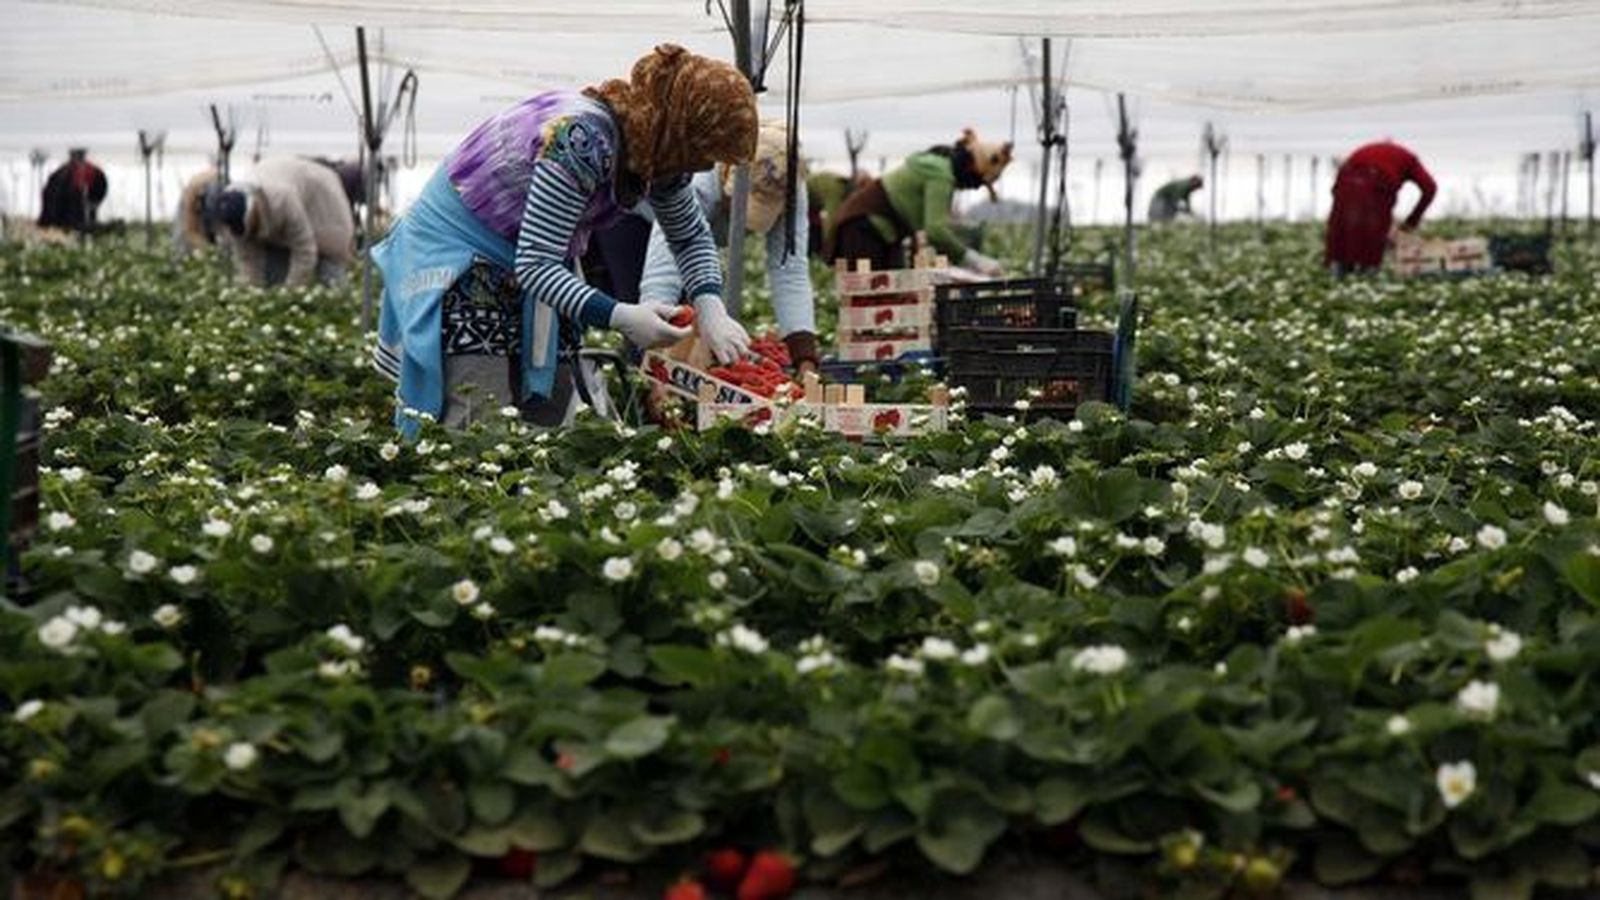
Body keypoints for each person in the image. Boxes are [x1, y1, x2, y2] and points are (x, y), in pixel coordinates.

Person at [371, 44, 758, 434]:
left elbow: (690, 236)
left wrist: (711, 307)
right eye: (705, 151)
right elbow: (536, 265)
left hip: (527, 259)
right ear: (681, 126)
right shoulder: (579, 141)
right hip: (462, 258)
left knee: (553, 413)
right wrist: (621, 316)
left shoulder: (660, 152)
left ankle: (536, 491)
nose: (706, 165)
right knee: (478, 419)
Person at [639, 120, 817, 371]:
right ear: (727, 174)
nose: (747, 224)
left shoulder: (789, 186)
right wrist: (653, 346)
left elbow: (790, 270)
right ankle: (645, 387)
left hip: (700, 241)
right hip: (637, 219)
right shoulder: (698, 176)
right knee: (654, 321)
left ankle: (685, 384)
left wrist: (804, 356)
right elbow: (666, 263)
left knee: (700, 320)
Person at [825, 129, 1013, 275]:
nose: (975, 187)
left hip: (884, 230)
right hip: (864, 226)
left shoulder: (939, 167)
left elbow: (927, 222)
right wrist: (973, 260)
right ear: (971, 169)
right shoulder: (941, 176)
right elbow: (936, 230)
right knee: (868, 295)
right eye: (978, 182)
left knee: (893, 291)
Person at [201, 157, 355, 287]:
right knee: (275, 269)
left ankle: (342, 305)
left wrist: (290, 291)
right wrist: (251, 289)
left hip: (322, 201)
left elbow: (305, 250)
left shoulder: (283, 200)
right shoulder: (231, 208)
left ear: (253, 210)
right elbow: (247, 258)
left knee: (330, 264)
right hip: (286, 187)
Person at [1325, 140, 1436, 274]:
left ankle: (1340, 273)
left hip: (1346, 180)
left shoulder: (1368, 150)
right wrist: (1412, 221)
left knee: (1342, 233)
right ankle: (1366, 273)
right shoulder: (1409, 160)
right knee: (1372, 239)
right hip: (1377, 181)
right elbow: (1430, 187)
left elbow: (1337, 189)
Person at [37, 148, 107, 234]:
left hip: (71, 215)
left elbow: (99, 188)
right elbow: (50, 196)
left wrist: (93, 204)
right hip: (66, 215)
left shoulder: (60, 173)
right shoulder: (60, 173)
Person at [805, 170, 869, 257]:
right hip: (803, 200)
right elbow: (830, 224)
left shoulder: (844, 188)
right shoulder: (836, 191)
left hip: (815, 205)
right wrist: (826, 252)